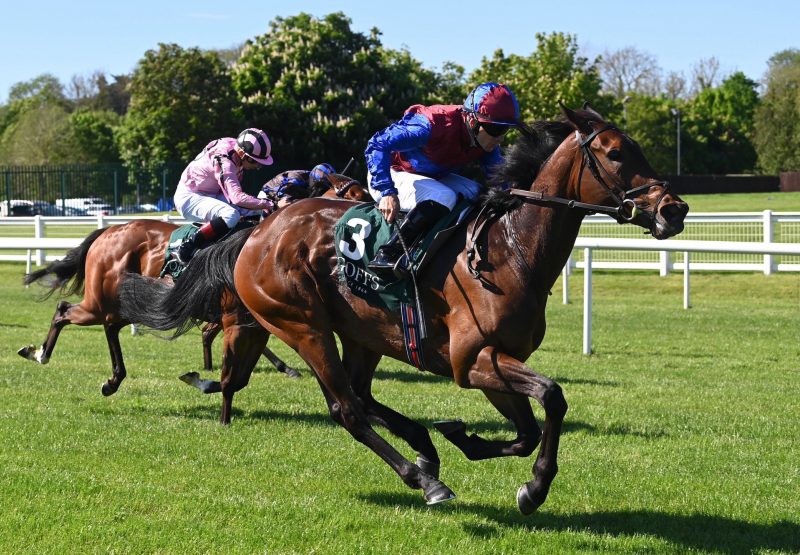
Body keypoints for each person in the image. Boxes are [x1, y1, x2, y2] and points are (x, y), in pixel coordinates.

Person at [364, 82, 520, 273]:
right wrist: (387, 191)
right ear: (472, 121)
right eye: (495, 129)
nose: (501, 137)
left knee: (478, 193)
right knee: (444, 196)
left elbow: (500, 181)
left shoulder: (484, 142)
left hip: (429, 177)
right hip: (389, 172)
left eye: (505, 130)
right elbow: (377, 144)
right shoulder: (431, 125)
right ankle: (389, 254)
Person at [173, 128, 275, 264]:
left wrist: (264, 205)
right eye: (255, 162)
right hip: (190, 197)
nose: (257, 166)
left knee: (255, 210)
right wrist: (268, 203)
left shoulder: (236, 147)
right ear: (243, 154)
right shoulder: (225, 161)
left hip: (211, 194)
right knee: (231, 215)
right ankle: (187, 246)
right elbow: (237, 198)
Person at [258, 163, 336, 208]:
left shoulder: (310, 181)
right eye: (320, 187)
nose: (321, 191)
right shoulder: (296, 179)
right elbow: (278, 193)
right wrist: (277, 203)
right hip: (267, 194)